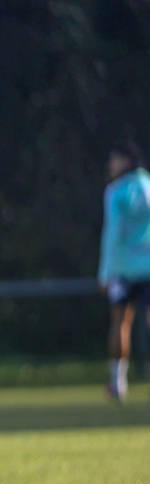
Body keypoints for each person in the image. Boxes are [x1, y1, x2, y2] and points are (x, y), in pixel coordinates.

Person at [97, 139, 150, 403]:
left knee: (120, 322)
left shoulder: (116, 191)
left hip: (123, 269)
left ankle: (118, 383)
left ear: (126, 161)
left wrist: (105, 272)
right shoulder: (149, 186)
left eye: (114, 158)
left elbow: (113, 234)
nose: (111, 164)